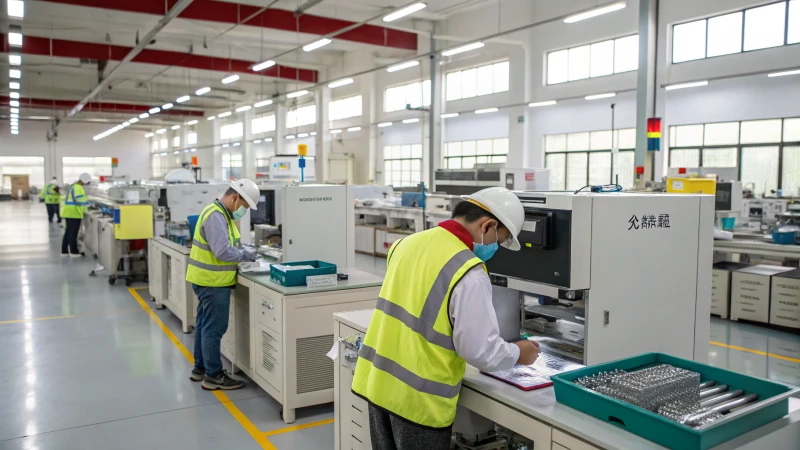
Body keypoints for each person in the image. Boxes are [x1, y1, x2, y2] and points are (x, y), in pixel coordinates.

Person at [352, 187, 541, 450]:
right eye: (499, 240)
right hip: (419, 400)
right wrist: (517, 353)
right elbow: (480, 351)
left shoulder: (406, 243)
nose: (496, 248)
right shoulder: (469, 270)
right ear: (488, 225)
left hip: (378, 383)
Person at [186, 179, 260, 391]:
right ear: (235, 198)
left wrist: (242, 250)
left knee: (203, 325)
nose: (243, 211)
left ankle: (200, 369)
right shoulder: (216, 216)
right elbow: (222, 251)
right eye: (244, 206)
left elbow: (226, 245)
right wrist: (246, 255)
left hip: (206, 280)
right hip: (213, 283)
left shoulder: (218, 213)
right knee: (214, 329)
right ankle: (214, 376)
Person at [61, 173, 91, 256]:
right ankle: (74, 251)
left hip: (69, 212)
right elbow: (79, 200)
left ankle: (64, 250)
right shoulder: (78, 188)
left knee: (68, 232)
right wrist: (88, 202)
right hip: (73, 212)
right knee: (73, 233)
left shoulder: (74, 186)